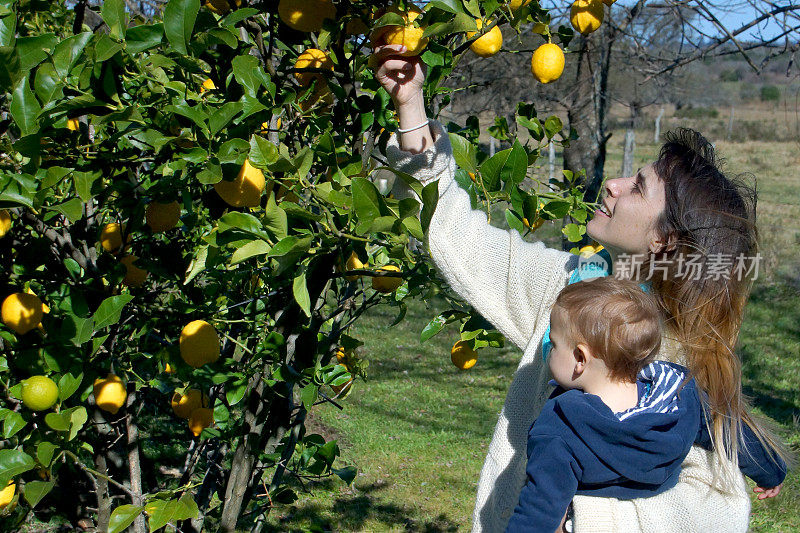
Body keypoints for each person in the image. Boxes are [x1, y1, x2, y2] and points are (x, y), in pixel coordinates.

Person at [372, 43, 790, 532]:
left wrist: (582, 511)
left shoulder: (682, 361)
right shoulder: (569, 287)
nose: (612, 184)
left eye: (636, 186)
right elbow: (458, 235)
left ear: (665, 238)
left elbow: (714, 508)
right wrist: (411, 107)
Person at [505, 277, 785, 533]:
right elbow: (726, 429)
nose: (550, 350)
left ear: (580, 358)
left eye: (553, 344)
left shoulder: (562, 428)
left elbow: (539, 511)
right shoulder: (679, 398)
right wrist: (770, 468)